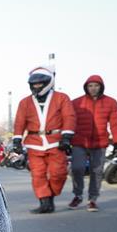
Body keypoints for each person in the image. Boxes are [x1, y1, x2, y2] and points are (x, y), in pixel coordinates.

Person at [12, 66, 76, 213]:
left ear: (48, 82)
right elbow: (19, 122)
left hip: (56, 142)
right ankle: (45, 202)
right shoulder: (25, 102)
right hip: (34, 143)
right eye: (34, 84)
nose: (37, 86)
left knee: (58, 173)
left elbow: (69, 117)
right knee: (38, 174)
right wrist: (17, 140)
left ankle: (50, 195)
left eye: (40, 83)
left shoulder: (61, 98)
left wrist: (66, 136)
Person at [68, 75, 117, 212]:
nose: (93, 88)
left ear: (101, 87)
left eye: (96, 85)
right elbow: (69, 122)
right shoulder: (76, 103)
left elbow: (115, 124)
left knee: (96, 171)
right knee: (77, 168)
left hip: (100, 142)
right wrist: (66, 140)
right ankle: (78, 195)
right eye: (90, 86)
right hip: (80, 141)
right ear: (86, 87)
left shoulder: (111, 102)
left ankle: (92, 199)